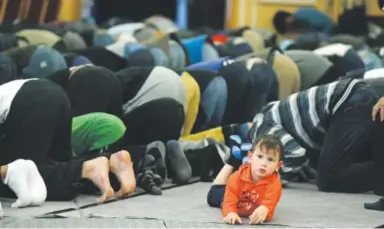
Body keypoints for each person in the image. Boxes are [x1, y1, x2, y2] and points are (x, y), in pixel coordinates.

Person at [0, 78, 135, 202]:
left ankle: (85, 168)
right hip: (53, 93)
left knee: (15, 179)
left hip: (28, 102)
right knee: (56, 164)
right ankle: (111, 165)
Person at [247, 78, 384, 199]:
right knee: (335, 169)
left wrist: (270, 180)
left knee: (330, 179)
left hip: (350, 100)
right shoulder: (273, 119)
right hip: (354, 98)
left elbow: (295, 155)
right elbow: (306, 165)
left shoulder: (260, 127)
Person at [207, 135, 283, 225]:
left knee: (250, 170)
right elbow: (229, 202)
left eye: (270, 159)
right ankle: (232, 160)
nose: (264, 163)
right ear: (250, 157)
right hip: (230, 193)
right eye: (259, 156)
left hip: (245, 188)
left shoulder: (275, 184)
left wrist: (264, 209)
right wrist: (231, 213)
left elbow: (269, 204)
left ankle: (242, 156)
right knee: (212, 194)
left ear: (278, 166)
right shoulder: (235, 178)